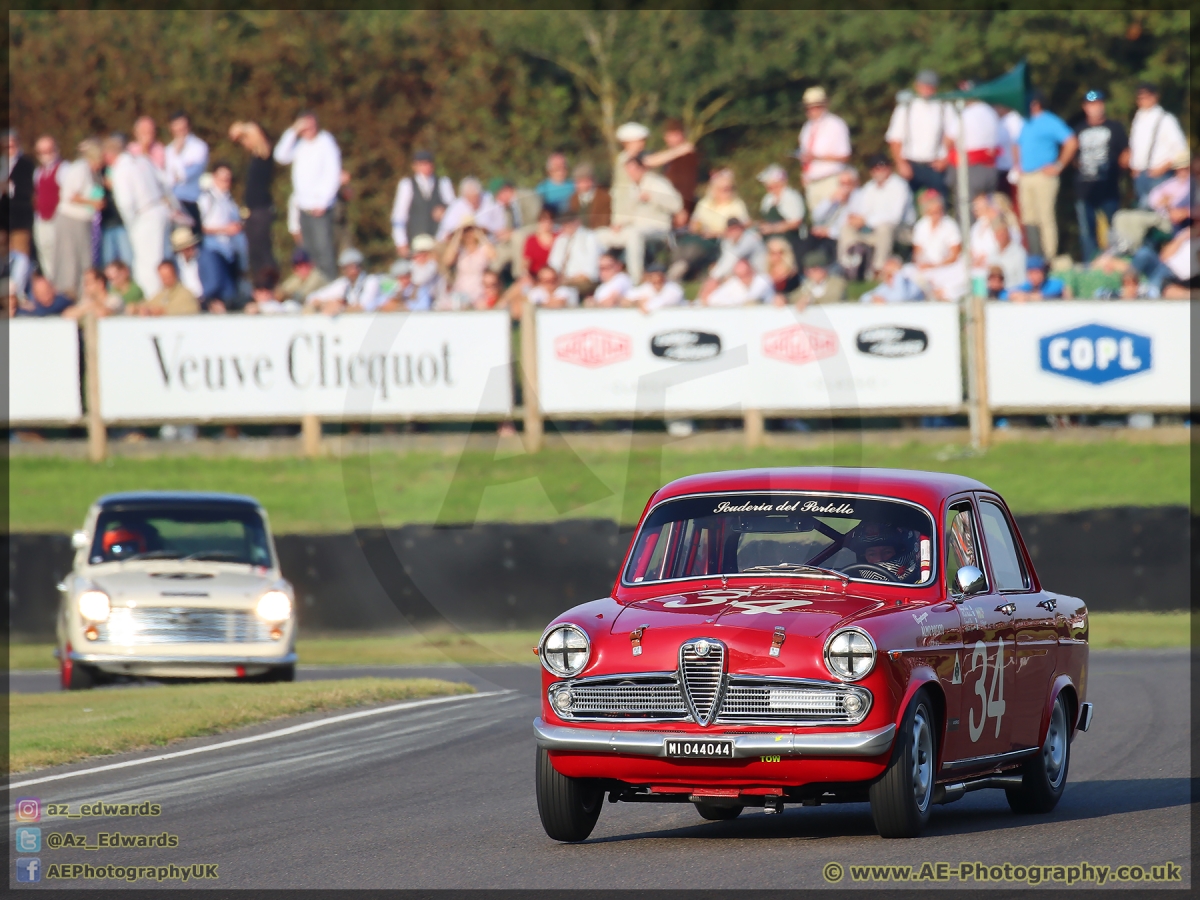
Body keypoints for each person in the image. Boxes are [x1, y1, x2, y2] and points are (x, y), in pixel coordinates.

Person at [273, 110, 341, 279]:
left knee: (323, 250)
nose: (307, 131)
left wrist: (323, 202)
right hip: (303, 207)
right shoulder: (299, 144)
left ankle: (330, 284)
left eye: (310, 126)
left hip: (320, 207)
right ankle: (316, 287)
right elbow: (280, 156)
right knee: (309, 252)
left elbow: (333, 173)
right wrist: (292, 131)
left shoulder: (326, 142)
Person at [595, 153, 682, 283]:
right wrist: (620, 224)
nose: (631, 173)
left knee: (634, 235)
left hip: (658, 228)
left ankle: (635, 278)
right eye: (628, 170)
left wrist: (653, 197)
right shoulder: (631, 187)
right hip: (635, 227)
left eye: (633, 169)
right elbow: (630, 214)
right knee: (599, 235)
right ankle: (599, 276)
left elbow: (677, 204)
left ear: (642, 168)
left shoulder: (657, 183)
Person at [1014, 91, 1078, 260]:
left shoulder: (1050, 121)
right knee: (1029, 218)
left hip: (1044, 176)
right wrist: (1018, 165)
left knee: (1045, 217)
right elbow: (1017, 145)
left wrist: (1058, 165)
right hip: (1027, 175)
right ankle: (1035, 254)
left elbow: (1071, 142)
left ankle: (1049, 256)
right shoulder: (1026, 122)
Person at [106, 132, 171, 298]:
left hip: (143, 216)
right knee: (163, 256)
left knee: (147, 263)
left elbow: (126, 203)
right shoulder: (142, 160)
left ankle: (151, 298)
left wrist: (131, 224)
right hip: (159, 210)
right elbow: (164, 182)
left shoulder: (120, 169)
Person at [1072, 89, 1129, 263]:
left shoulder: (1115, 127)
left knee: (1114, 229)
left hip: (1109, 188)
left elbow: (1126, 153)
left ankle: (1115, 261)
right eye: (1090, 105)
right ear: (1085, 107)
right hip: (1085, 189)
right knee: (1087, 231)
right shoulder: (1078, 129)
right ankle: (1091, 264)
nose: (1095, 108)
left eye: (1097, 104)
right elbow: (1072, 154)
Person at [839, 154, 914, 278]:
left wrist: (865, 220)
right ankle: (849, 265)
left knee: (884, 228)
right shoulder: (869, 188)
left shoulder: (899, 186)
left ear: (889, 168)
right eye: (874, 168)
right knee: (846, 228)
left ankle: (878, 269)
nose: (877, 171)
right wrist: (856, 219)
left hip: (901, 230)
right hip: (872, 230)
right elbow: (863, 212)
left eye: (881, 167)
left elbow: (895, 217)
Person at [52, 138, 105, 300]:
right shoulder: (79, 169)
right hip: (71, 220)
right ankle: (67, 295)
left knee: (84, 260)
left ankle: (84, 295)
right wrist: (93, 202)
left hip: (84, 222)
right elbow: (71, 196)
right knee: (70, 260)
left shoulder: (91, 172)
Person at [886, 70, 950, 202]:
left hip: (934, 164)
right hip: (911, 164)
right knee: (906, 202)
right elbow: (895, 138)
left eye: (930, 86)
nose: (927, 89)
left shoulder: (943, 106)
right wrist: (900, 163)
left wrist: (945, 159)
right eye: (924, 85)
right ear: (917, 86)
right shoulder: (906, 107)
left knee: (940, 202)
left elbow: (952, 135)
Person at [228, 121, 277, 275]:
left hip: (261, 210)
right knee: (255, 253)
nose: (244, 143)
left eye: (245, 139)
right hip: (253, 211)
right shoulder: (254, 159)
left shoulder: (263, 154)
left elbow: (255, 131)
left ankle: (269, 285)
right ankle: (261, 285)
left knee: (262, 251)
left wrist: (240, 128)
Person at [1128, 82, 1188, 206]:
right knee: (1143, 212)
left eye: (1146, 96)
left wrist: (1163, 167)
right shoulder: (1138, 119)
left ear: (1155, 97)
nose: (1143, 100)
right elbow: (1135, 146)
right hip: (1140, 175)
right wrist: (1134, 168)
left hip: (1160, 175)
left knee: (1158, 212)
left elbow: (1180, 148)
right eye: (1140, 97)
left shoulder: (1166, 119)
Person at [197, 161, 246, 309]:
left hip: (228, 252)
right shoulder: (206, 198)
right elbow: (201, 227)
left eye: (229, 178)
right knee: (213, 287)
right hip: (212, 249)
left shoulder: (229, 201)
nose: (226, 182)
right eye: (222, 178)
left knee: (229, 293)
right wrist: (225, 230)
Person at [796, 85, 852, 212]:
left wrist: (817, 157)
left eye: (815, 106)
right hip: (812, 182)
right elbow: (804, 153)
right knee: (817, 224)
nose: (811, 111)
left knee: (832, 223)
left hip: (831, 180)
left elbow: (845, 156)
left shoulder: (836, 124)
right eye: (808, 108)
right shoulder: (806, 127)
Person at [943, 88, 1002, 207]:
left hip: (970, 167)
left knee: (967, 207)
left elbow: (948, 140)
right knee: (988, 206)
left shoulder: (966, 114)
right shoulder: (991, 112)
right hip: (990, 166)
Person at [391, 150, 455, 258]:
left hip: (439, 241)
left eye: (428, 163)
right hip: (416, 242)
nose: (425, 167)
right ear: (414, 166)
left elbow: (454, 211)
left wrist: (445, 212)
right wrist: (401, 242)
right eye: (421, 164)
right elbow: (399, 216)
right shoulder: (407, 185)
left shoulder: (443, 183)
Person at [907, 189, 967, 301]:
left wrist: (935, 265)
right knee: (908, 272)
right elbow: (917, 253)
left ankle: (943, 293)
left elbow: (954, 255)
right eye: (933, 212)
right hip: (927, 268)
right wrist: (923, 264)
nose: (936, 215)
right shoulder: (921, 226)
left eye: (939, 211)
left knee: (963, 271)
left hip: (946, 267)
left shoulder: (950, 225)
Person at [697, 218, 767, 302]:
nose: (734, 232)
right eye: (731, 229)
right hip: (742, 275)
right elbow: (724, 260)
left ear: (741, 228)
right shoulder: (728, 241)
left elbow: (733, 258)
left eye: (736, 228)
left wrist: (714, 277)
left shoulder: (751, 238)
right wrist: (713, 277)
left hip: (759, 276)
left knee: (722, 283)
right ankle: (701, 302)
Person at [163, 111, 209, 236]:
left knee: (195, 241)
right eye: (176, 126)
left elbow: (187, 175)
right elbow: (167, 180)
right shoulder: (168, 150)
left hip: (191, 202)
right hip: (173, 205)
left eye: (182, 126)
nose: (180, 129)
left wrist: (177, 158)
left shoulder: (198, 147)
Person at [305, 247, 388, 313]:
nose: (350, 271)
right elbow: (311, 298)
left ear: (360, 267)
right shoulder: (344, 283)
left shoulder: (371, 281)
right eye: (346, 268)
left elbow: (365, 307)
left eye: (353, 266)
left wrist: (340, 308)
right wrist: (326, 303)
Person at [645, 119, 700, 214]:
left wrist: (683, 209)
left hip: (681, 204)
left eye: (671, 135)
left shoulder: (687, 157)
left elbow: (686, 185)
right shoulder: (675, 154)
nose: (667, 139)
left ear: (680, 134)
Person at [756, 164, 806, 260]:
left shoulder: (792, 197)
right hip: (770, 244)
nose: (767, 186)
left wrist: (773, 228)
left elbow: (795, 223)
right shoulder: (767, 199)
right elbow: (764, 219)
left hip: (792, 242)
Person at [845, 521, 921, 583]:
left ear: (902, 552)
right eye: (872, 554)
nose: (879, 559)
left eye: (887, 552)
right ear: (863, 557)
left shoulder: (924, 581)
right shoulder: (848, 581)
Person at [440, 223, 495, 309]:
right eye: (465, 231)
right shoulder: (460, 251)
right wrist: (457, 236)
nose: (469, 234)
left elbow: (493, 256)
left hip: (479, 290)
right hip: (461, 290)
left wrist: (480, 235)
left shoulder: (483, 249)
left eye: (471, 230)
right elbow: (447, 261)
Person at [547, 212, 602, 296]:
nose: (566, 226)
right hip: (561, 280)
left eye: (569, 223)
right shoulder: (561, 239)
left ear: (577, 222)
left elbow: (591, 272)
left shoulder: (589, 237)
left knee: (563, 292)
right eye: (564, 224)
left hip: (582, 282)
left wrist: (570, 280)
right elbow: (553, 263)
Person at [32, 135, 62, 282]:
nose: (46, 155)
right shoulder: (38, 172)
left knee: (60, 254)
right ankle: (51, 283)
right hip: (42, 220)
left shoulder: (63, 168)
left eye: (49, 150)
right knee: (45, 253)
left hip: (57, 218)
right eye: (42, 152)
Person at [437, 177, 504, 241]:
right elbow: (446, 230)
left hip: (491, 241)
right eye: (470, 199)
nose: (473, 202)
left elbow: (500, 226)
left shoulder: (489, 200)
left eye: (476, 198)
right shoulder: (456, 207)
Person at [5, 130, 35, 259]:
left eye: (12, 145)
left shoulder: (27, 164)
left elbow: (27, 189)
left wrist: (8, 186)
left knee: (20, 256)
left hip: (19, 221)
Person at [133, 259, 200, 316]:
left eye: (168, 276)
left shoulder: (185, 294)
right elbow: (149, 303)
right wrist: (136, 308)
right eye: (163, 278)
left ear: (175, 274)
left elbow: (191, 309)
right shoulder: (162, 293)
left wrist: (164, 311)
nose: (166, 280)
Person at [703, 256, 774, 307]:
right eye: (740, 276)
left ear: (752, 271)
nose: (744, 278)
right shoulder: (733, 283)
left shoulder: (764, 280)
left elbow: (757, 298)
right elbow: (712, 300)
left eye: (746, 274)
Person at [859, 255, 924, 304]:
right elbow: (863, 298)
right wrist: (872, 298)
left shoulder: (911, 286)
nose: (886, 277)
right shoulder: (885, 287)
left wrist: (897, 274)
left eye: (890, 274)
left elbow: (900, 298)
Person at [611, 121, 649, 201]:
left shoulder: (638, 156)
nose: (643, 144)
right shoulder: (624, 159)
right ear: (628, 142)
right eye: (639, 141)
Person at [566, 163, 611, 229]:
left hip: (600, 232)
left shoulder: (604, 197)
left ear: (591, 181)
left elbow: (605, 220)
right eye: (577, 181)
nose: (579, 184)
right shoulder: (573, 199)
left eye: (582, 181)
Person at [169, 226, 205, 302]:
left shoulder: (205, 257)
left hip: (205, 298)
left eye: (191, 246)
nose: (190, 249)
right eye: (186, 248)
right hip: (186, 300)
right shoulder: (176, 264)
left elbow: (213, 282)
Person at [522, 207, 558, 280]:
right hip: (535, 276)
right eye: (543, 221)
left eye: (549, 220)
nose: (546, 224)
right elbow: (526, 262)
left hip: (554, 277)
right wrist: (525, 274)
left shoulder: (559, 238)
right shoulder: (531, 239)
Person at [534, 152, 574, 216]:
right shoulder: (542, 188)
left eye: (563, 166)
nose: (561, 170)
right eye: (557, 167)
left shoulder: (574, 185)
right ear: (549, 170)